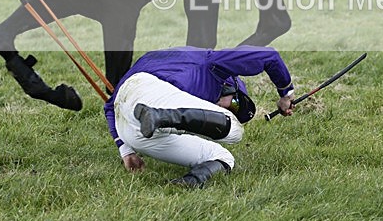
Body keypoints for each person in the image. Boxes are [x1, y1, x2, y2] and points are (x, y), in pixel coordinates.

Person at [104, 45, 295, 188]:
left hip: (130, 130)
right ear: (229, 85)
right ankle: (157, 115)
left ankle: (186, 183)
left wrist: (126, 151)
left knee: (224, 158)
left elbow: (109, 106)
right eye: (235, 104)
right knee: (236, 131)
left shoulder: (161, 58)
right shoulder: (213, 65)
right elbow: (268, 55)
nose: (231, 111)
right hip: (150, 94)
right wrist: (286, 93)